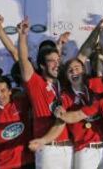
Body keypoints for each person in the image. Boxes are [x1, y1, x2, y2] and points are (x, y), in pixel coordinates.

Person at [28, 58, 103, 169]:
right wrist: (44, 140)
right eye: (70, 70)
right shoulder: (64, 97)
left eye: (77, 68)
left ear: (84, 70)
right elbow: (59, 124)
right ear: (66, 76)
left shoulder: (97, 84)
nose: (74, 72)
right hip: (85, 151)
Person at [17, 18, 73, 169]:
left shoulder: (63, 83)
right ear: (42, 65)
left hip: (69, 148)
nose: (57, 63)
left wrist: (59, 45)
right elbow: (22, 59)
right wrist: (22, 36)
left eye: (58, 60)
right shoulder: (35, 83)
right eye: (52, 61)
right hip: (48, 149)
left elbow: (57, 65)